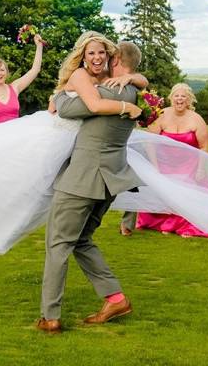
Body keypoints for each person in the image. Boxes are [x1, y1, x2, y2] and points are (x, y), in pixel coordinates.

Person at [0, 32, 208, 260]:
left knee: (46, 190)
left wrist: (131, 79)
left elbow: (139, 80)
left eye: (103, 54)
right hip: (53, 132)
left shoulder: (113, 78)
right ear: (83, 56)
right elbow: (96, 106)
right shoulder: (82, 77)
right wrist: (130, 108)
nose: (98, 58)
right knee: (8, 166)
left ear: (112, 58)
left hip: (79, 142)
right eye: (92, 53)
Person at [38, 39, 146, 333]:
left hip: (83, 180)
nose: (102, 59)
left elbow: (66, 108)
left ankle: (50, 316)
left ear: (116, 61)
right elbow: (137, 80)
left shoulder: (109, 92)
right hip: (110, 180)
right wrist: (136, 77)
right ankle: (116, 298)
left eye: (107, 55)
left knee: (58, 243)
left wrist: (59, 95)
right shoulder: (137, 91)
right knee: (82, 240)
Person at [135, 83, 208, 238]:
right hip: (164, 164)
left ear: (189, 100)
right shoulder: (162, 115)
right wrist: (155, 166)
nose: (180, 99)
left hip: (189, 166)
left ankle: (184, 225)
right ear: (171, 98)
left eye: (183, 96)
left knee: (188, 194)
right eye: (177, 96)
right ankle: (162, 224)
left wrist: (200, 169)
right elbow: (150, 142)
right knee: (161, 190)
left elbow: (204, 147)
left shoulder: (197, 119)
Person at [0, 35, 43, 125]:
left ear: (7, 72)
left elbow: (35, 70)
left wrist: (39, 46)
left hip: (15, 136)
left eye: (2, 70)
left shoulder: (14, 87)